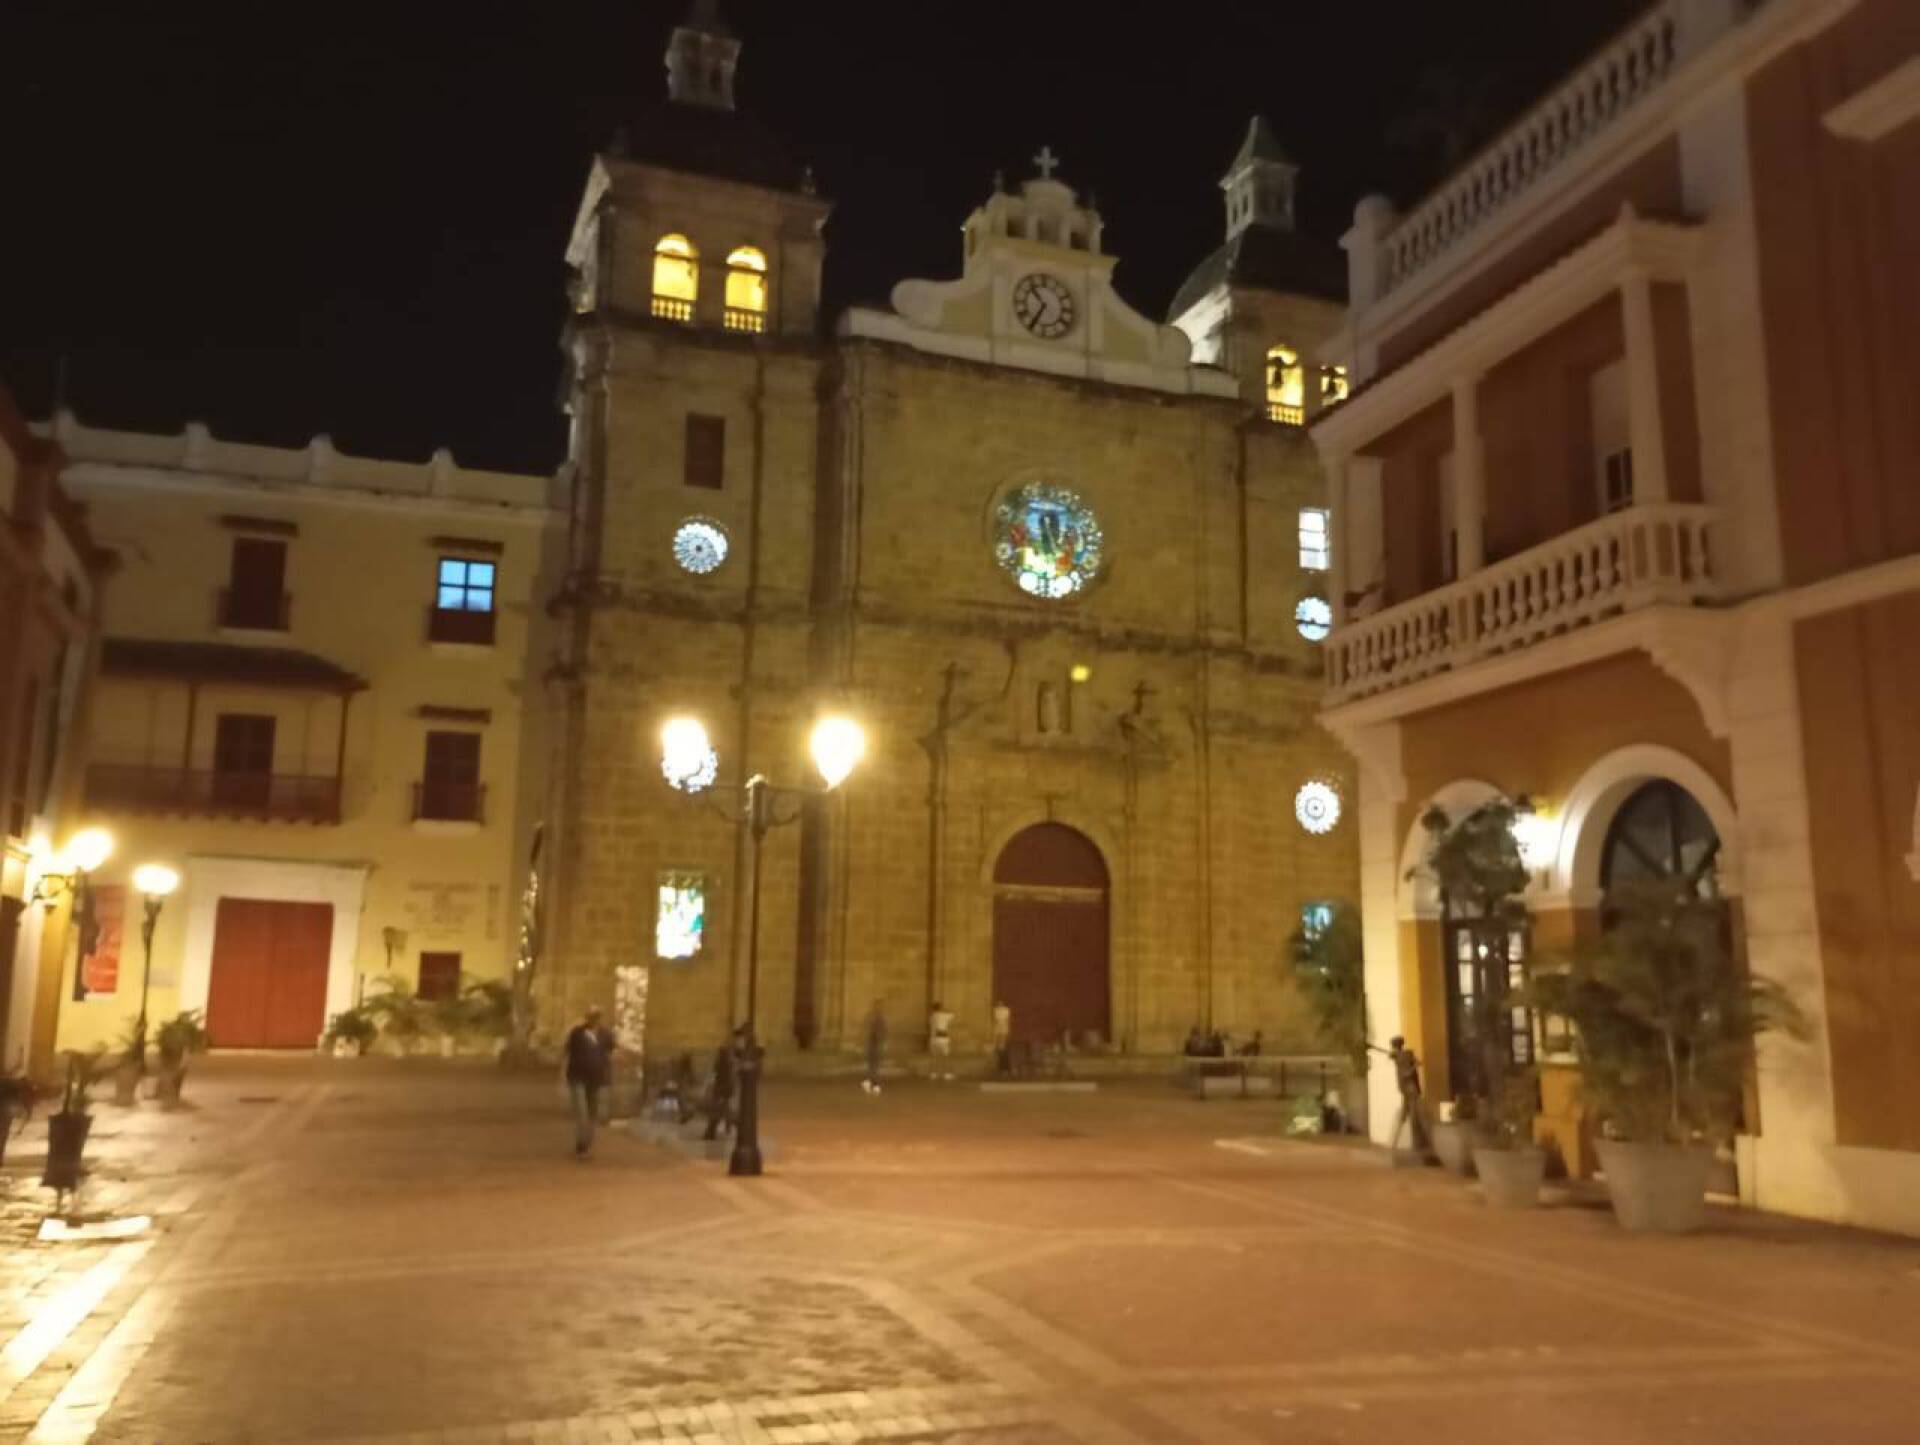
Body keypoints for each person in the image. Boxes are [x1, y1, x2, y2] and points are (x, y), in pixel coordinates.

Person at [561, 1006, 608, 1157]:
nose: (594, 1020)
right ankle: (582, 1143)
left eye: (597, 1016)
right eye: (591, 1016)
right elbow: (566, 1051)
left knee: (592, 1112)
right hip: (577, 1077)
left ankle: (586, 1141)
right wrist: (562, 1073)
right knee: (582, 1111)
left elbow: (611, 1053)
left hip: (596, 1078)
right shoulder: (577, 1033)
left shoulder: (605, 1034)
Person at [1376, 1035, 1433, 1159]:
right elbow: (1392, 1056)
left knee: (1415, 1117)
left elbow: (1418, 1064)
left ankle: (1420, 1145)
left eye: (1394, 1046)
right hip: (1406, 1090)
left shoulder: (1406, 1054)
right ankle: (1396, 1144)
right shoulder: (1399, 1055)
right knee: (1406, 1116)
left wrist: (1409, 1071)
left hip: (1410, 1089)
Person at [702, 1028, 738, 1141]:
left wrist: (710, 1086)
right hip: (724, 1088)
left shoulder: (725, 1058)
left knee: (720, 1111)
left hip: (722, 1089)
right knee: (722, 1110)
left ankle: (711, 1132)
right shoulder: (729, 1057)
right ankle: (712, 1131)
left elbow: (717, 1073)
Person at [862, 1001, 889, 1094]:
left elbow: (883, 1031)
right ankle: (873, 1083)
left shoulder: (875, 1017)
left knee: (874, 1065)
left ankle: (871, 1082)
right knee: (873, 1065)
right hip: (873, 1044)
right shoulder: (874, 1018)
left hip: (875, 1044)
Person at [928, 1000, 955, 1081]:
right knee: (945, 1057)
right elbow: (953, 1015)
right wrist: (945, 1009)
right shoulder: (944, 1015)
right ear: (940, 1008)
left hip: (934, 1038)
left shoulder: (932, 1016)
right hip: (943, 1038)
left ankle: (933, 1073)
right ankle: (946, 1073)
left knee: (934, 1057)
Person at [991, 999, 1012, 1076]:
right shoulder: (996, 1010)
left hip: (1003, 1026)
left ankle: (1005, 1070)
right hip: (998, 1027)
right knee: (1000, 1051)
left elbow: (1007, 1020)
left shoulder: (1006, 1010)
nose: (1000, 1003)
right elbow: (995, 1020)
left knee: (1003, 1051)